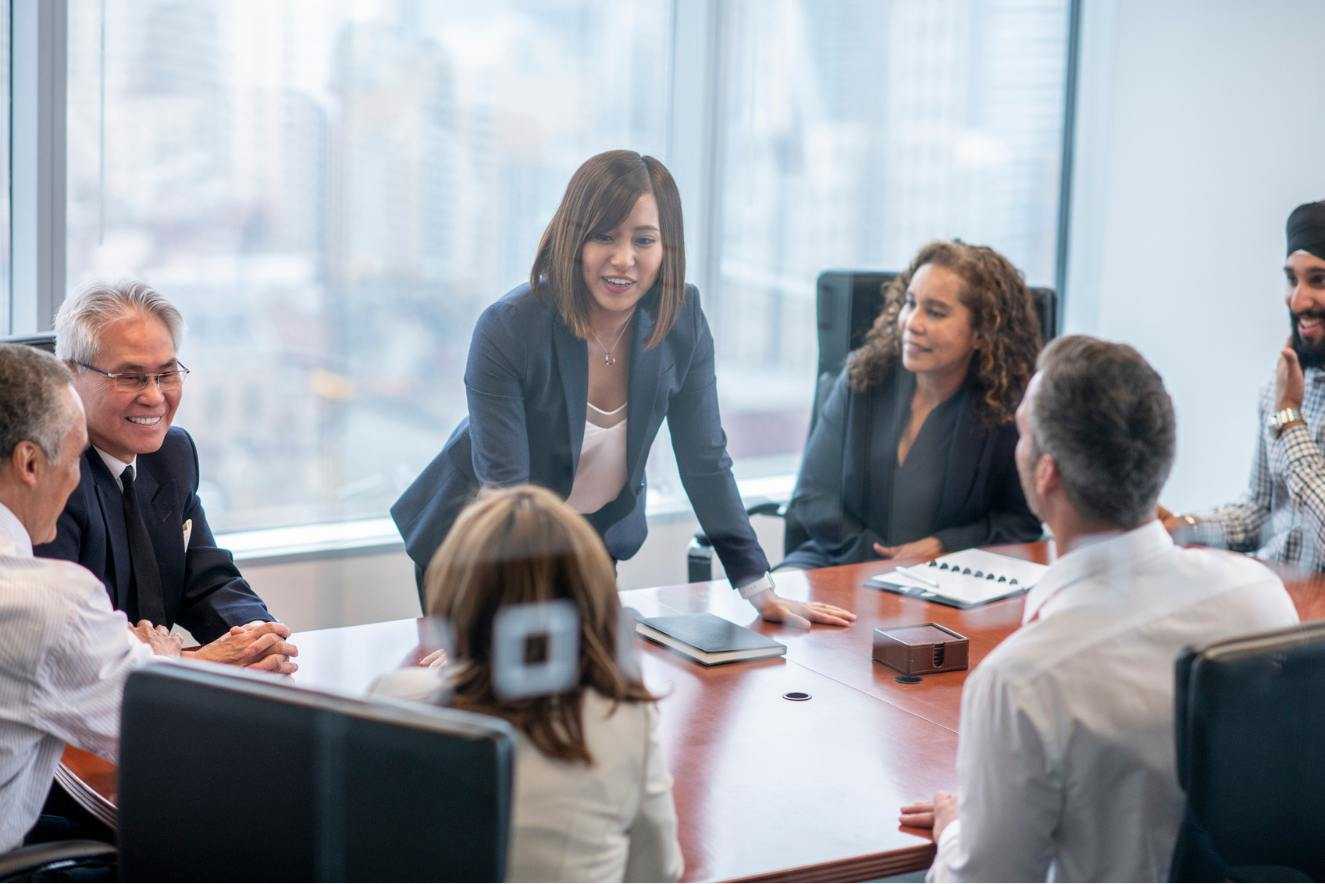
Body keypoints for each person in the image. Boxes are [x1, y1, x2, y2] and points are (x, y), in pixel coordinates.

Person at [393, 150, 852, 628]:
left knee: (591, 691)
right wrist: (481, 638)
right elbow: (506, 498)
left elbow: (705, 462)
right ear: (573, 240)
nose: (623, 259)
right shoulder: (510, 327)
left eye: (644, 240)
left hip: (587, 545)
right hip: (480, 555)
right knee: (493, 691)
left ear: (666, 246)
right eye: (604, 236)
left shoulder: (681, 321)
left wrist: (758, 587)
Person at [899, 335, 1299, 881]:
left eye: (1021, 434)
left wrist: (955, 830)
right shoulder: (1258, 595)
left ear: (1046, 474)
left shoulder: (1021, 681)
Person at [376, 484, 683, 882]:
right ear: (591, 599)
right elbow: (658, 874)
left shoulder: (395, 700)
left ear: (459, 598)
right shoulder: (624, 718)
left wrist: (441, 680)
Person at [35, 280, 297, 669]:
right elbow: (75, 646)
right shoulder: (48, 476)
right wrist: (198, 664)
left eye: (167, 374)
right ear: (69, 375)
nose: (155, 397)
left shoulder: (172, 454)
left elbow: (209, 578)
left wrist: (256, 636)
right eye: (130, 376)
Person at [0, 344, 196, 851]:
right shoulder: (47, 603)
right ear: (29, 463)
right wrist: (162, 657)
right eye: (72, 457)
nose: (75, 480)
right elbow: (164, 724)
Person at [780, 241, 1042, 569]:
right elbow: (813, 497)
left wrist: (945, 545)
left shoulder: (1004, 409)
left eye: (935, 312)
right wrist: (886, 561)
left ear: (981, 332)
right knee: (774, 614)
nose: (912, 323)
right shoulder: (863, 377)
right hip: (838, 561)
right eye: (910, 303)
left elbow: (1021, 521)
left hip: (946, 574)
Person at [1161, 199, 1325, 570]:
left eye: (1319, 280)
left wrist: (1289, 420)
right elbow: (1261, 510)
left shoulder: (1285, 400)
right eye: (1291, 279)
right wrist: (1182, 528)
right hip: (1275, 599)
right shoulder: (1284, 383)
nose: (1298, 300)